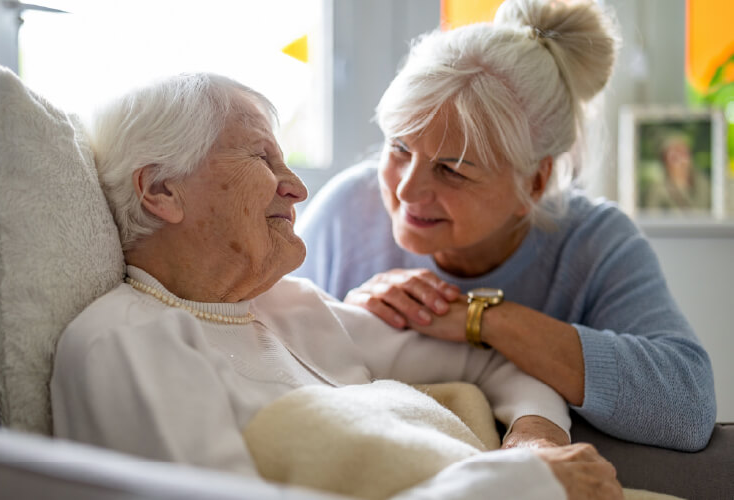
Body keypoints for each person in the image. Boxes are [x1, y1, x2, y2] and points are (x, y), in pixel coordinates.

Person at [50, 71, 621, 500]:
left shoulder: (290, 305)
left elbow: (499, 366)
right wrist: (519, 484)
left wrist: (535, 442)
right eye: (262, 158)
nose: (296, 188)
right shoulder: (126, 342)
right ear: (161, 191)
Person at [292, 0, 716, 452]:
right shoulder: (347, 211)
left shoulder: (595, 242)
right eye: (398, 148)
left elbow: (686, 408)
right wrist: (346, 320)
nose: (407, 190)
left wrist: (482, 319)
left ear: (533, 183)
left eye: (451, 169)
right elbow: (262, 351)